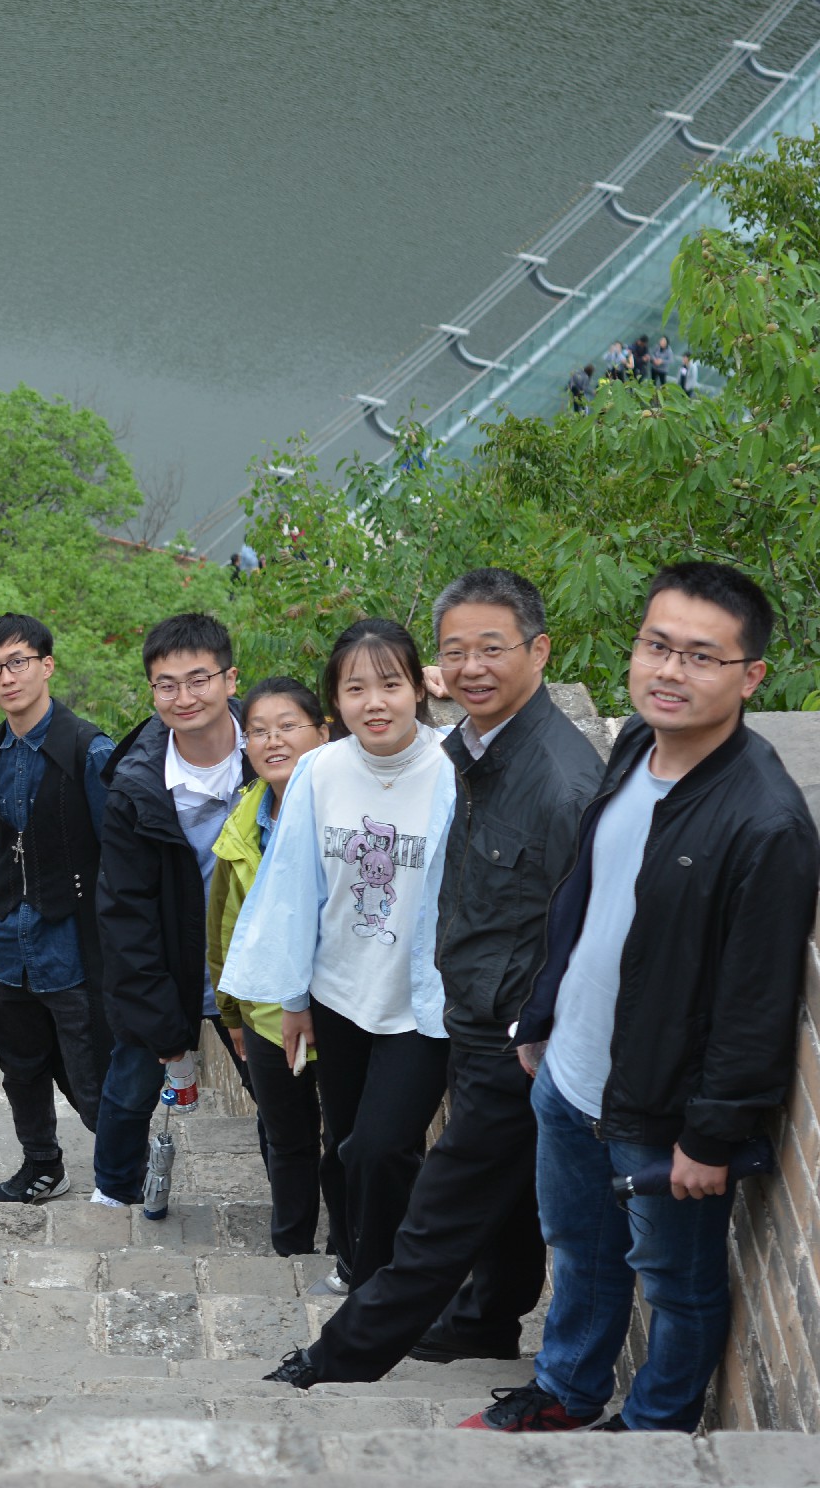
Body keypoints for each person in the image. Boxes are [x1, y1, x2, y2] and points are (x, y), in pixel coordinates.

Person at [462, 564, 818, 1434]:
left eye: (701, 656)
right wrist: (543, 1015)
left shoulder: (765, 822)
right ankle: (567, 1391)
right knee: (578, 1251)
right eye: (657, 645)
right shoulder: (634, 745)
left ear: (750, 676)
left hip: (661, 1109)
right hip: (570, 1073)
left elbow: (756, 1002)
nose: (670, 671)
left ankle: (652, 1432)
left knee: (676, 1283)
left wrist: (712, 1135)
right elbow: (588, 897)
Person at [269, 570, 602, 1388]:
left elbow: (584, 928)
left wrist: (541, 1029)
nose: (472, 667)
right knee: (504, 1190)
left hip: (508, 1029)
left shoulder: (557, 782)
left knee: (439, 1196)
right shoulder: (473, 753)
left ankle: (341, 1355)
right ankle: (489, 1320)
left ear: (539, 651)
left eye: (492, 648)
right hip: (464, 1006)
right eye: (457, 651)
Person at [220, 619, 456, 1292]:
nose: (374, 703)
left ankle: (389, 1281)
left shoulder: (453, 768)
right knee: (347, 1144)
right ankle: (355, 1258)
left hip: (422, 1002)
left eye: (391, 684)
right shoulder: (321, 770)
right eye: (356, 688)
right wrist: (293, 997)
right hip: (338, 994)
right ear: (335, 702)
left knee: (384, 1147)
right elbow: (295, 888)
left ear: (419, 688)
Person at [0, 615, 116, 1205]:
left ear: (46, 666)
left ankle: (124, 1167)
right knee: (20, 1068)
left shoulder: (88, 750)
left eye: (18, 662)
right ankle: (41, 1163)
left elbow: (118, 861)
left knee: (91, 1073)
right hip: (2, 945)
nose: (6, 677)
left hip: (70, 945)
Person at [96, 613, 253, 1208]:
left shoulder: (273, 745)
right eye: (167, 685)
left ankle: (296, 1218)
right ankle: (114, 1195)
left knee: (278, 1097)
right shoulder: (135, 783)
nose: (183, 698)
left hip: (252, 968)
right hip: (164, 963)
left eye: (198, 680)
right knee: (131, 1082)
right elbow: (125, 912)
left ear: (230, 679)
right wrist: (163, 1024)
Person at [207, 678, 343, 1264]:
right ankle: (291, 1250)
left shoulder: (352, 809)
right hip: (264, 1013)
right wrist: (232, 1013)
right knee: (286, 1140)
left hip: (342, 1009)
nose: (273, 741)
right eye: (259, 731)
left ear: (324, 734)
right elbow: (224, 924)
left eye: (289, 726)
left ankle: (347, 1253)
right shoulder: (246, 818)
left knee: (347, 1143)